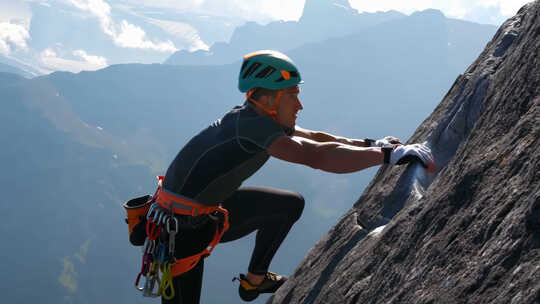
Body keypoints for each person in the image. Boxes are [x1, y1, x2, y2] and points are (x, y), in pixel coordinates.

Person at [158, 50, 435, 303]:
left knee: (288, 205)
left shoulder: (256, 118)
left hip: (202, 212)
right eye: (292, 94)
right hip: (179, 232)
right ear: (268, 97)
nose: (299, 105)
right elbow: (316, 155)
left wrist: (371, 144)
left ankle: (255, 280)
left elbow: (316, 138)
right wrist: (389, 157)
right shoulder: (254, 127)